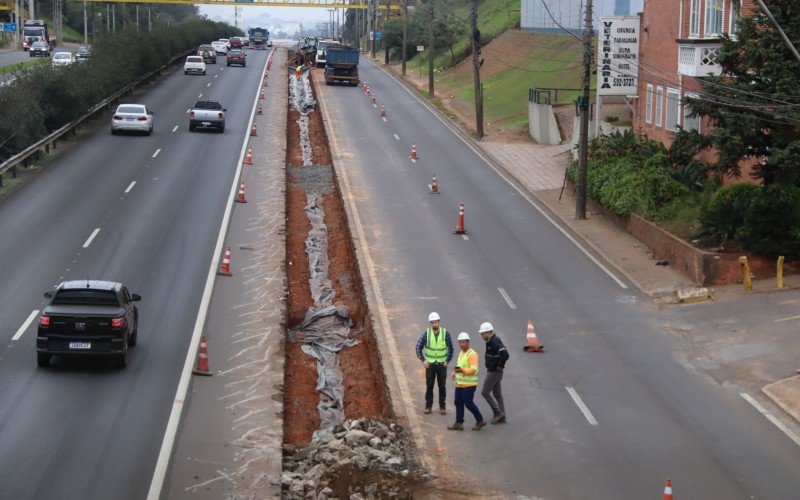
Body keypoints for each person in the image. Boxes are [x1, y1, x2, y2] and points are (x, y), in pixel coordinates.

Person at [415, 312, 454, 414]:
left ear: (439, 322)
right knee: (429, 386)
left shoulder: (445, 333)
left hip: (442, 365)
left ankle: (442, 407)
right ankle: (428, 406)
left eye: (435, 322)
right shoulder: (427, 334)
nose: (434, 324)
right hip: (430, 365)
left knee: (442, 386)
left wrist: (447, 360)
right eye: (432, 323)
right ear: (430, 323)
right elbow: (418, 347)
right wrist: (423, 360)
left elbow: (451, 348)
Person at [447, 332, 487, 431]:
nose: (461, 344)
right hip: (460, 384)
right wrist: (454, 373)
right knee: (458, 402)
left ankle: (480, 420)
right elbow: (459, 367)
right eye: (459, 342)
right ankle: (459, 423)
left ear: (468, 342)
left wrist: (462, 371)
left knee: (468, 403)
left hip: (469, 384)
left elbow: (474, 370)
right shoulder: (461, 353)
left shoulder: (472, 354)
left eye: (463, 342)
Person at [479, 322, 509, 424]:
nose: (481, 335)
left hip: (494, 371)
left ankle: (497, 413)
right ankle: (502, 417)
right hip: (495, 370)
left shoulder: (494, 341)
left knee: (485, 392)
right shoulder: (490, 340)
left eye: (483, 333)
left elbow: (505, 354)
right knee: (497, 393)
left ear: (488, 332)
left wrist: (500, 365)